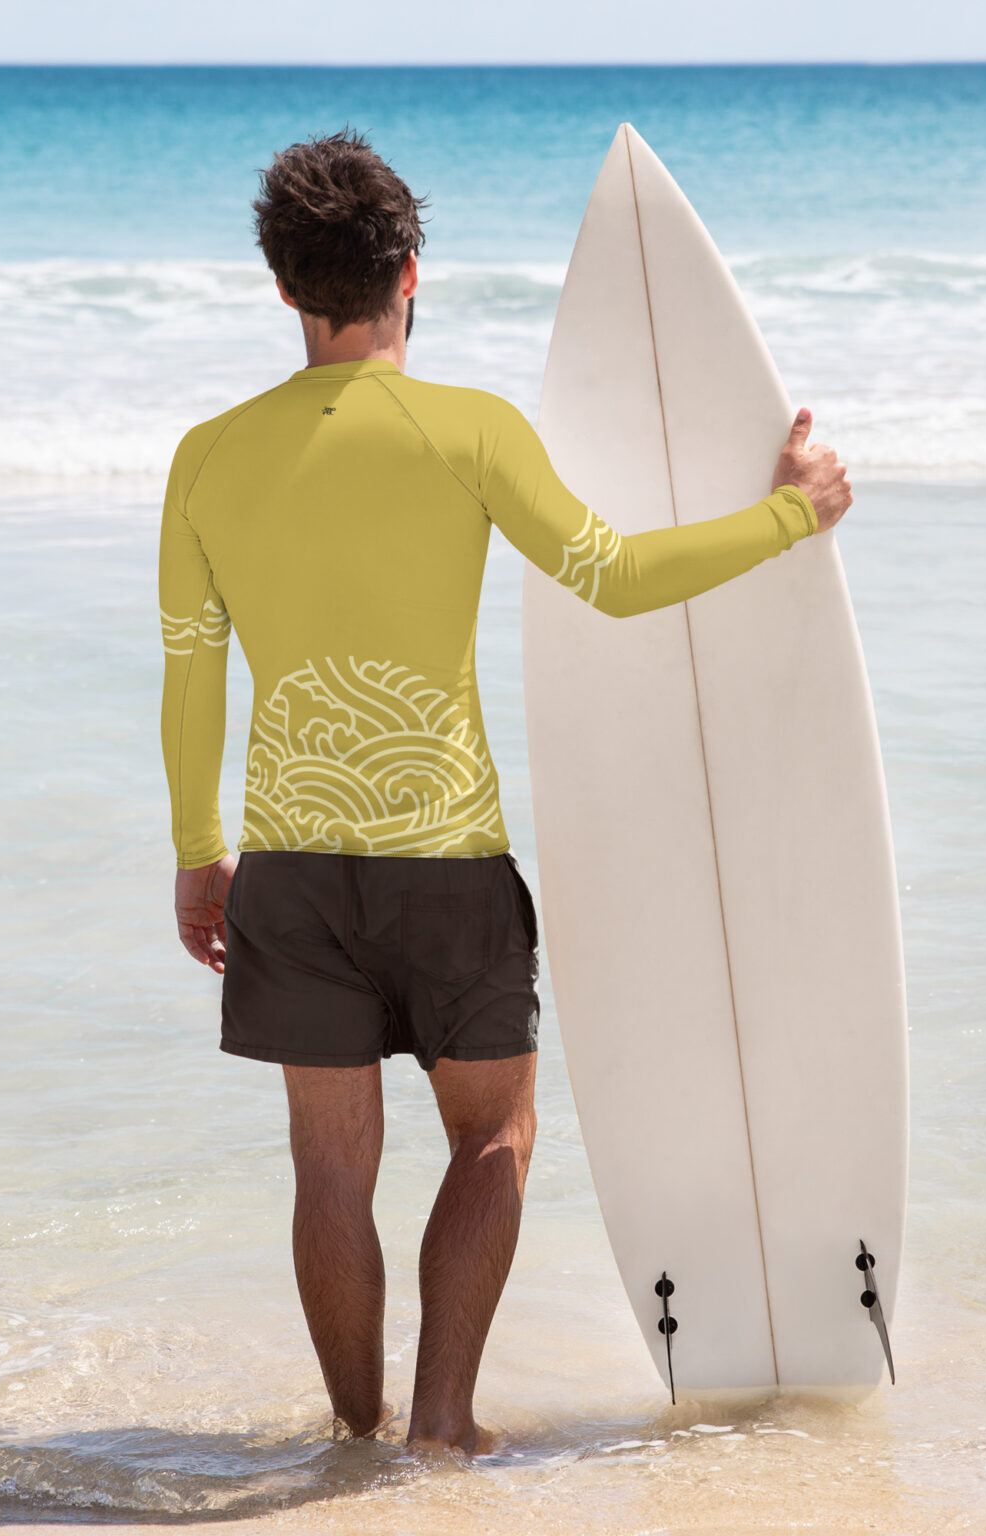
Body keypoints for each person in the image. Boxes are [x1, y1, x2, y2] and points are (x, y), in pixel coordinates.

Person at [159, 128, 852, 1456]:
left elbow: (193, 670)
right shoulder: (468, 430)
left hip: (291, 871)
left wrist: (202, 853)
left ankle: (352, 1436)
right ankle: (441, 1426)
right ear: (409, 272)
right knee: (496, 1140)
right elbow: (612, 578)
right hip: (450, 867)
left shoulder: (207, 457)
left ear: (285, 288)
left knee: (329, 1170)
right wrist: (787, 516)